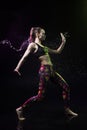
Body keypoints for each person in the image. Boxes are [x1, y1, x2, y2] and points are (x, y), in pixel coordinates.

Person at [14, 27, 78, 120]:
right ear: (37, 34)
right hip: (44, 72)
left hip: (51, 71)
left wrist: (63, 41)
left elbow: (58, 51)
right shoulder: (33, 45)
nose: (45, 35)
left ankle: (67, 109)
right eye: (43, 33)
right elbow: (24, 57)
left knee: (66, 87)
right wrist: (17, 68)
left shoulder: (45, 48)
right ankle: (20, 109)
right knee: (40, 97)